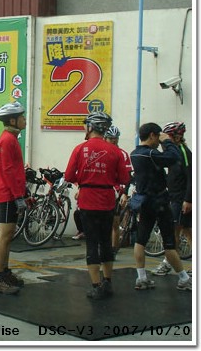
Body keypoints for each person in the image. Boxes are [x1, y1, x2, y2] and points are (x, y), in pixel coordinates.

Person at [64, 112, 130, 299]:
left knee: (91, 242)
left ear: (91, 127)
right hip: (107, 199)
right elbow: (124, 178)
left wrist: (84, 180)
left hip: (87, 199)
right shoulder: (115, 151)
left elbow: (68, 176)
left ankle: (95, 285)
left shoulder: (80, 149)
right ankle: (108, 282)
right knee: (105, 242)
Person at [130, 122, 191, 291]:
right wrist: (168, 142)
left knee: (141, 240)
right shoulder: (151, 154)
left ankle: (141, 277)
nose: (159, 140)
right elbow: (173, 158)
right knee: (169, 243)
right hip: (159, 202)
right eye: (158, 136)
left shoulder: (134, 154)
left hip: (144, 202)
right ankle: (184, 279)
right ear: (152, 135)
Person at [0, 101, 27, 295]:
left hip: (10, 193)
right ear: (12, 120)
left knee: (8, 235)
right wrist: (17, 196)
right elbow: (7, 170)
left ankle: (4, 272)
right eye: (22, 117)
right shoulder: (7, 140)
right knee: (4, 236)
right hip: (7, 194)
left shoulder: (11, 138)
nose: (24, 120)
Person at [150, 122, 192, 277]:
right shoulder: (174, 153)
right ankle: (169, 262)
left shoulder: (183, 152)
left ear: (177, 137)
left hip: (181, 199)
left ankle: (168, 263)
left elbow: (191, 177)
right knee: (179, 231)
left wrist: (188, 199)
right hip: (174, 197)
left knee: (182, 232)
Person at [104, 125, 134, 256]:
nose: (114, 141)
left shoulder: (122, 154)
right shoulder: (101, 152)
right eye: (111, 139)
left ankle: (113, 250)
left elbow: (128, 175)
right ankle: (103, 247)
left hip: (117, 191)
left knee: (115, 222)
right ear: (105, 138)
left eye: (116, 138)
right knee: (102, 223)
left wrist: (124, 193)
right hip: (103, 191)